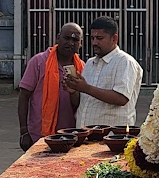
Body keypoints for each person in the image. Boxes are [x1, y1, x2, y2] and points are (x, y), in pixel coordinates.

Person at [66, 17, 143, 129]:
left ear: (114, 38)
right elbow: (82, 101)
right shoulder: (90, 63)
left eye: (99, 38)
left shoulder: (125, 62)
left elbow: (121, 99)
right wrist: (73, 91)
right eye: (92, 38)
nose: (94, 42)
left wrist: (86, 88)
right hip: (85, 134)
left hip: (112, 138)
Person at [17, 22, 84, 150]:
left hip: (70, 136)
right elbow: (24, 96)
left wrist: (73, 92)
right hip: (38, 135)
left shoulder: (82, 68)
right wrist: (24, 131)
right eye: (67, 38)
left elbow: (80, 104)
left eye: (75, 40)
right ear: (58, 38)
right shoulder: (39, 62)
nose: (70, 43)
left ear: (80, 44)